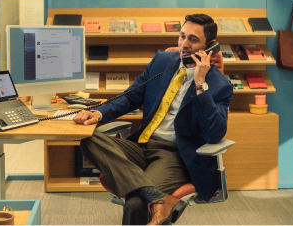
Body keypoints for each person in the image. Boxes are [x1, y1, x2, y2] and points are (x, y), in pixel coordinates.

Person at [73, 13, 233, 226]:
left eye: (193, 40)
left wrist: (200, 85)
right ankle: (157, 197)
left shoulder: (219, 85)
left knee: (135, 203)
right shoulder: (162, 61)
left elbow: (215, 133)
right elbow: (131, 96)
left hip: (174, 155)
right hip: (141, 146)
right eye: (182, 36)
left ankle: (147, 195)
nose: (184, 44)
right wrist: (98, 113)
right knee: (89, 139)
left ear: (210, 46)